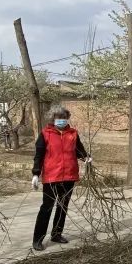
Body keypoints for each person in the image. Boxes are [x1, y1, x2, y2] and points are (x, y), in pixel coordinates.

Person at [31, 106, 91, 251]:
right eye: (59, 118)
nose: (62, 121)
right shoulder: (46, 134)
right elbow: (38, 155)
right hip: (52, 176)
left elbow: (79, 150)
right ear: (53, 119)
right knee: (47, 208)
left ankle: (57, 234)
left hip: (69, 175)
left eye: (64, 118)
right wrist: (36, 174)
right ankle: (38, 239)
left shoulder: (73, 134)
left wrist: (86, 157)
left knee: (63, 207)